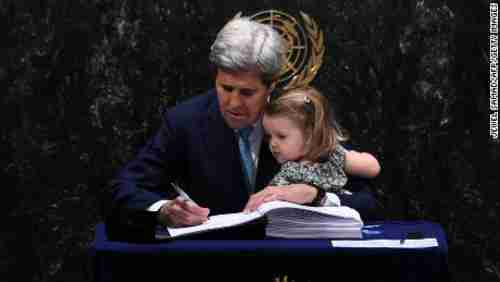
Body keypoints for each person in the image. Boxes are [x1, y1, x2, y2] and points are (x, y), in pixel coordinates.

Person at [108, 17, 380, 232]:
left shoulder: (300, 116)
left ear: (271, 87)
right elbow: (123, 188)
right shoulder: (184, 122)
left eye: (247, 93)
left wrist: (316, 196)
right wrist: (163, 210)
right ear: (216, 77)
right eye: (226, 88)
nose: (233, 103)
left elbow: (369, 202)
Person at [243, 86, 380, 212]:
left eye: (281, 136)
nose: (272, 144)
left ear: (311, 135)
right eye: (269, 136)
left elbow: (372, 173)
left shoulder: (332, 156)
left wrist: (348, 158)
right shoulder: (279, 163)